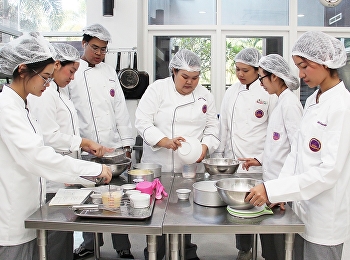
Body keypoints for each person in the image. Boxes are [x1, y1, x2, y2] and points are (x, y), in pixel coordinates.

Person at [0, 32, 112, 260]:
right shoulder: (7, 109)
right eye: (44, 77)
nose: (48, 84)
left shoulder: (22, 107)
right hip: (11, 220)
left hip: (29, 211)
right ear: (22, 70)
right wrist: (93, 172)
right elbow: (37, 157)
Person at [246, 31, 350, 260]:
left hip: (325, 218)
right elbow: (296, 153)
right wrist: (279, 190)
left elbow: (329, 171)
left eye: (304, 66)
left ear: (326, 60)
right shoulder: (313, 100)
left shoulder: (342, 106)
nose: (300, 74)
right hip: (302, 209)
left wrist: (274, 190)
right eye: (298, 66)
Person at [135, 49, 220, 260]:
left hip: (189, 168)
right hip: (159, 163)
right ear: (173, 71)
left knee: (186, 212)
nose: (190, 82)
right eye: (185, 77)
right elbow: (142, 122)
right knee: (157, 215)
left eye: (195, 77)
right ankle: (154, 252)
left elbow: (213, 129)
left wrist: (205, 147)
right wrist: (164, 141)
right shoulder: (157, 90)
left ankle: (187, 251)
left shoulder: (205, 96)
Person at [64, 24, 135, 259]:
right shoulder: (72, 73)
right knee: (88, 199)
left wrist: (126, 144)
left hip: (111, 146)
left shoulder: (109, 72)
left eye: (104, 50)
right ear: (84, 44)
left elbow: (120, 109)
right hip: (85, 146)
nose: (99, 53)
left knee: (116, 198)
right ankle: (89, 244)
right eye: (95, 48)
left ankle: (122, 247)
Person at [213, 47, 277, 260]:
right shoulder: (232, 91)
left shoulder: (269, 93)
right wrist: (220, 156)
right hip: (236, 164)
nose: (239, 74)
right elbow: (223, 127)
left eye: (245, 70)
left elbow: (275, 131)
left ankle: (270, 254)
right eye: (237, 69)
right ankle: (244, 250)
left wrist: (264, 159)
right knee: (241, 208)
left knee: (265, 211)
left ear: (258, 70)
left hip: (260, 164)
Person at [239, 54, 303, 260]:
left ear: (274, 77)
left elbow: (297, 151)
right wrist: (260, 159)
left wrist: (283, 192)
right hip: (272, 187)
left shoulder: (290, 105)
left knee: (279, 248)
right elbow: (277, 145)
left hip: (281, 191)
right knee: (270, 246)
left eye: (262, 78)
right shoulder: (280, 102)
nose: (261, 84)